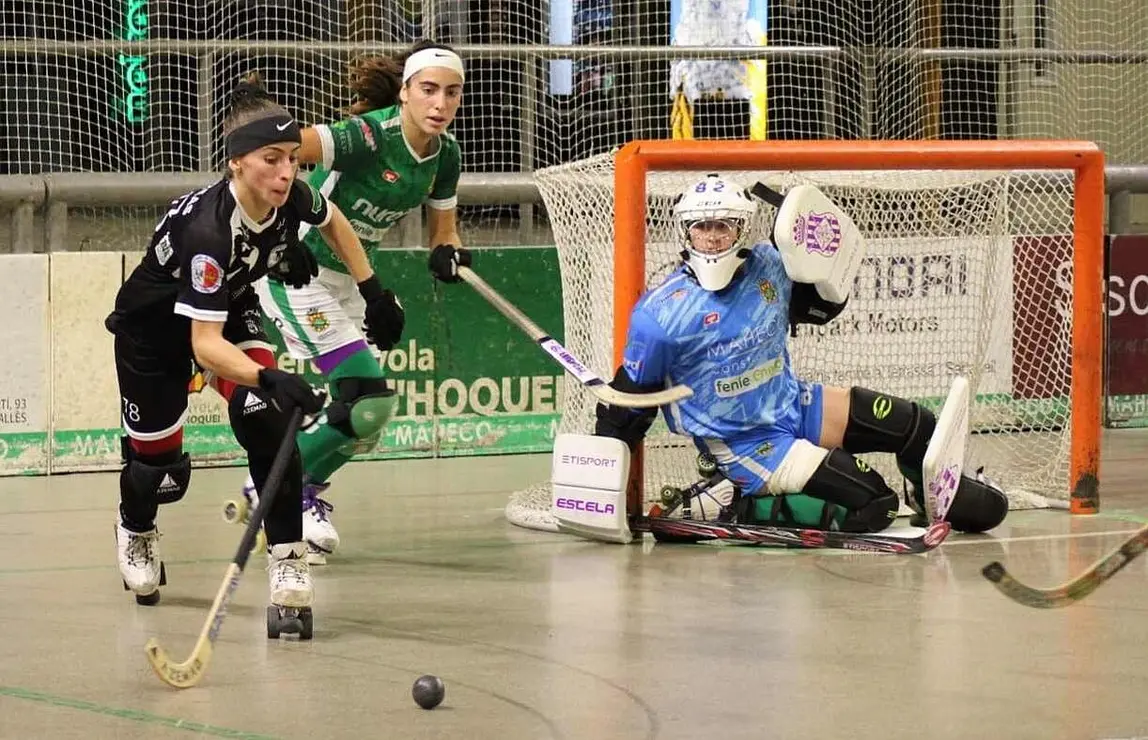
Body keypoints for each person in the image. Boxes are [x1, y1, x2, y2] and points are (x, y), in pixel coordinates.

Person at [105, 75, 396, 612]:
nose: (287, 172)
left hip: (229, 311)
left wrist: (372, 289)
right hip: (155, 334)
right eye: (271, 159)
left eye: (293, 158)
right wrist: (269, 375)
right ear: (236, 161)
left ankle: (288, 557)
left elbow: (332, 221)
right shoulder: (207, 234)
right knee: (159, 469)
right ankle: (136, 528)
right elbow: (204, 344)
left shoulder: (288, 195)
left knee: (269, 421)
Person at [588, 173, 1009, 534]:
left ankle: (928, 497)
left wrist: (825, 270)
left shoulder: (770, 265)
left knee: (918, 426)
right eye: (703, 226)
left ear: (743, 227)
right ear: (687, 231)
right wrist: (599, 488)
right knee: (874, 505)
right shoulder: (660, 313)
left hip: (792, 403)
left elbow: (820, 310)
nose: (714, 237)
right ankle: (731, 505)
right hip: (747, 444)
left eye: (725, 226)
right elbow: (627, 405)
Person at [243, 39, 468, 564]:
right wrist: (280, 233)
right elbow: (283, 151)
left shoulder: (445, 156)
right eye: (428, 90)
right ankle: (275, 491)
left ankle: (296, 489)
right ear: (407, 92)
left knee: (369, 421)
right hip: (296, 273)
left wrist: (451, 255)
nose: (439, 104)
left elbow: (445, 232)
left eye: (451, 94)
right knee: (366, 398)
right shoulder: (369, 134)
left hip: (353, 278)